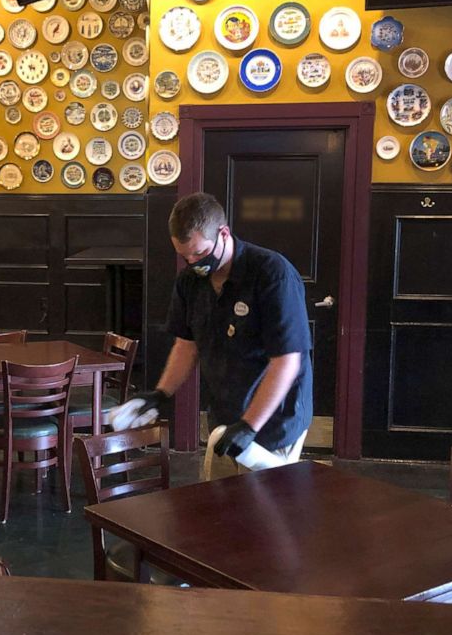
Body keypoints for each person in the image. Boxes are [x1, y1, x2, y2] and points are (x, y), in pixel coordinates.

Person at [111, 192, 313, 473]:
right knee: (220, 508)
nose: (194, 263)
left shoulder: (272, 274)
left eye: (201, 253)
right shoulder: (189, 282)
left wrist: (249, 425)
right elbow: (186, 345)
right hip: (225, 414)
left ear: (224, 233)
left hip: (274, 419)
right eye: (185, 256)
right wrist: (160, 393)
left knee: (267, 511)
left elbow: (286, 362)